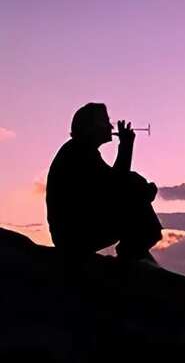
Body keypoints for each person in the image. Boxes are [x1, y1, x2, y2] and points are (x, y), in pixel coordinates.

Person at [46, 103, 163, 262]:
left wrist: (139, 186)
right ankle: (129, 261)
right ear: (91, 126)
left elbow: (115, 181)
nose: (110, 126)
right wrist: (126, 146)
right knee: (141, 210)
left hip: (75, 230)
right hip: (74, 234)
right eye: (105, 121)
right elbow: (115, 185)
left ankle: (132, 255)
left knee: (135, 186)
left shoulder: (79, 150)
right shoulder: (78, 153)